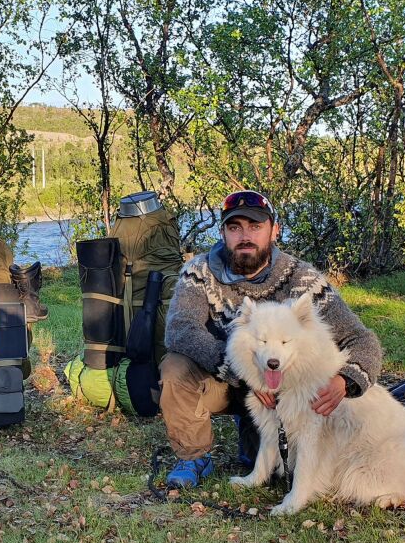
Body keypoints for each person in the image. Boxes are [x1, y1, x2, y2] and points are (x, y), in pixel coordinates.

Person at [159, 190, 382, 488]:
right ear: (223, 232)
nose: (245, 236)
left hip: (281, 391)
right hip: (225, 379)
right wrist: (244, 373)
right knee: (174, 368)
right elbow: (180, 330)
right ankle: (193, 455)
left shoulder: (303, 280)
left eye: (255, 226)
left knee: (266, 470)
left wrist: (345, 380)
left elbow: (362, 340)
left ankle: (254, 437)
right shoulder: (198, 271)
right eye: (235, 227)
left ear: (274, 230)